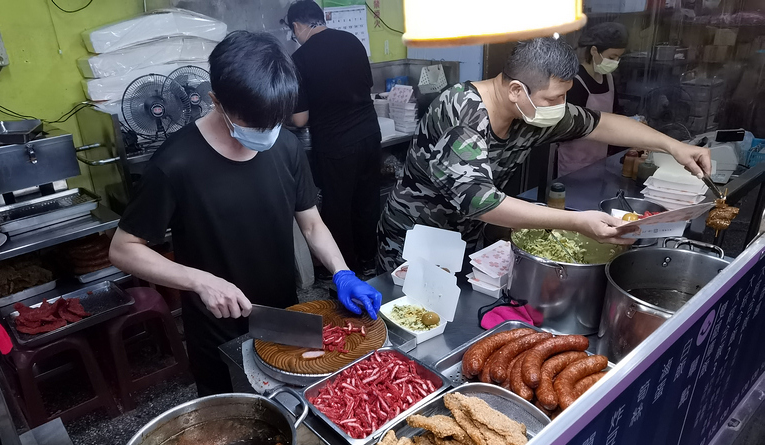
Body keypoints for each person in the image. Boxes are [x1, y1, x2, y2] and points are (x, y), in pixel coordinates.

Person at [109, 31, 382, 397]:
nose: (267, 133)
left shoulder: (285, 146)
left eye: (274, 121)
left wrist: (343, 272)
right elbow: (124, 248)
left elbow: (312, 223)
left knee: (291, 412)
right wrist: (200, 281)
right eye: (255, 124)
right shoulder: (175, 163)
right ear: (216, 101)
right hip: (216, 329)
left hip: (282, 318)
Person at [377, 37, 711, 273]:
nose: (561, 107)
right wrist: (577, 222)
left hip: (466, 239)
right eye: (554, 98)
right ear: (516, 90)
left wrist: (674, 146)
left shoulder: (531, 111)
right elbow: (481, 202)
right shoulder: (461, 113)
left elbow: (603, 125)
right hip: (414, 241)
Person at [286, 0, 382, 277]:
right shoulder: (352, 41)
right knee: (366, 202)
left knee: (337, 209)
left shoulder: (300, 59)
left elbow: (300, 119)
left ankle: (343, 271)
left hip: (336, 145)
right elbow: (366, 87)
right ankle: (368, 263)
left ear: (297, 26)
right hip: (369, 135)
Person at [558, 22, 629, 176]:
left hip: (600, 159)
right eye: (612, 57)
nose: (616, 62)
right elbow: (567, 128)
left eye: (618, 57)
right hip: (573, 162)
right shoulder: (575, 81)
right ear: (594, 51)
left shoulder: (609, 79)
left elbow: (614, 114)